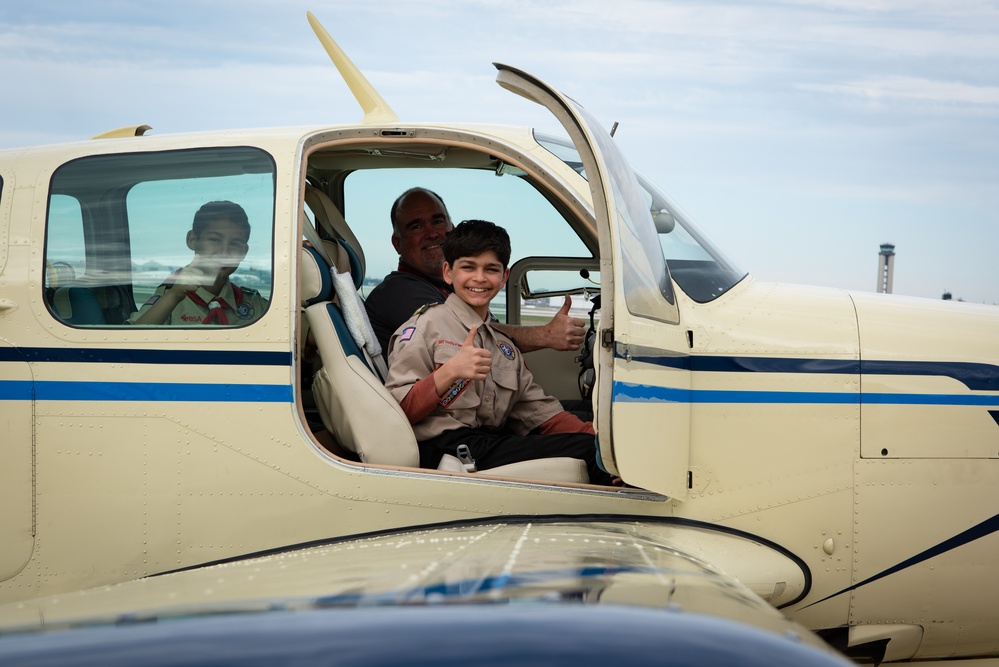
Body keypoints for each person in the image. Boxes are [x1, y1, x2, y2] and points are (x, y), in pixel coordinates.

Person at [384, 219, 613, 486]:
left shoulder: (502, 347)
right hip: (444, 449)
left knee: (595, 446)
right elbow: (395, 414)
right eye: (468, 267)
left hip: (485, 441)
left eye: (490, 269)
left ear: (504, 277)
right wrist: (449, 372)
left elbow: (541, 412)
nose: (479, 278)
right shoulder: (425, 328)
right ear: (448, 272)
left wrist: (603, 441)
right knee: (588, 452)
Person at [364, 187, 585, 355]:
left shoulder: (444, 285)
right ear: (397, 243)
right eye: (416, 226)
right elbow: (472, 337)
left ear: (451, 229)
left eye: (438, 221)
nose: (432, 233)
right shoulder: (399, 292)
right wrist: (545, 335)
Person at [130, 201, 267, 326]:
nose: (224, 252)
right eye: (214, 240)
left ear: (244, 251)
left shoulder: (255, 305)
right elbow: (131, 344)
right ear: (193, 240)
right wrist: (173, 297)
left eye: (235, 244)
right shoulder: (169, 299)